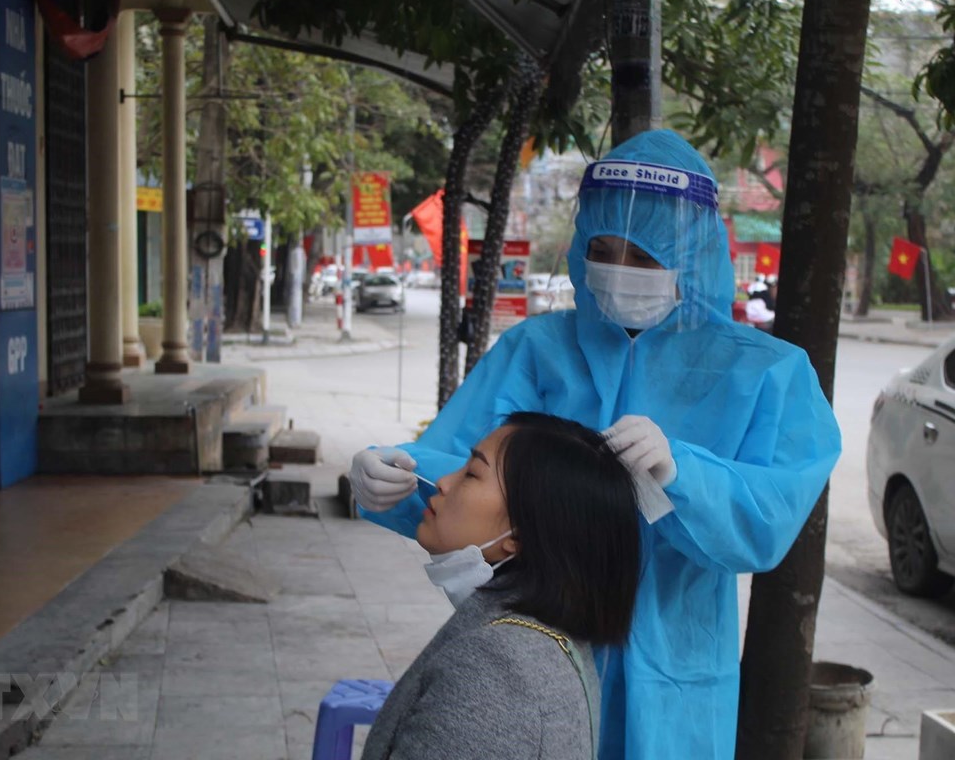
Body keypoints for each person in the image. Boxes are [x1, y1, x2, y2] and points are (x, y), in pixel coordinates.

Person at [350, 129, 842, 759]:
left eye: (643, 256)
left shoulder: (766, 373)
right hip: (534, 646)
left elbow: (768, 518)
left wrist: (682, 474)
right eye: (603, 251)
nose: (619, 272)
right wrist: (398, 476)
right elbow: (468, 473)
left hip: (674, 670)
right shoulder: (536, 350)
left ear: (692, 256)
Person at [361, 412, 642, 760]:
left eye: (472, 474)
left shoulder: (495, 667)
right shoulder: (542, 639)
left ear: (519, 535)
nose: (443, 482)